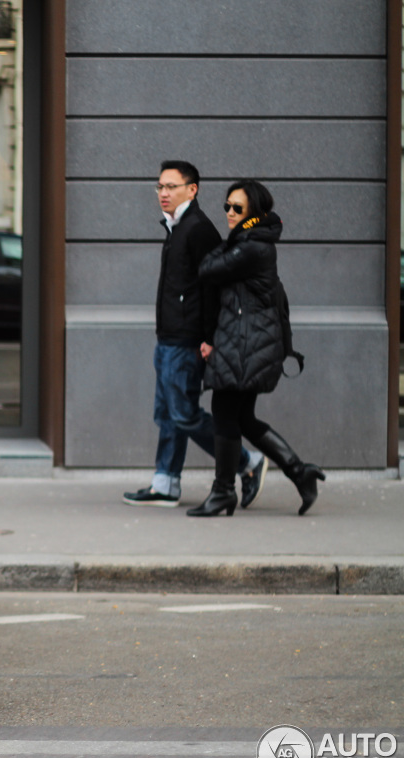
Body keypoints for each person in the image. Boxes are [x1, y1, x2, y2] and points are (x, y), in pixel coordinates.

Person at [123, 161, 265, 508]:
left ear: (192, 189)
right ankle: (166, 483)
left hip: (186, 339)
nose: (164, 194)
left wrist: (208, 337)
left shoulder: (198, 229)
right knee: (168, 413)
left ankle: (246, 462)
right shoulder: (176, 227)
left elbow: (213, 285)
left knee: (184, 413)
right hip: (170, 336)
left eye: (171, 186)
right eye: (160, 187)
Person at [188, 179, 325, 516]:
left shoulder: (251, 246)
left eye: (238, 208)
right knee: (242, 417)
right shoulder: (252, 241)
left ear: (254, 213)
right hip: (247, 341)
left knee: (224, 412)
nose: (230, 213)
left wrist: (224, 243)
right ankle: (299, 471)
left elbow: (206, 269)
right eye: (227, 207)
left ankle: (223, 492)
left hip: (245, 344)